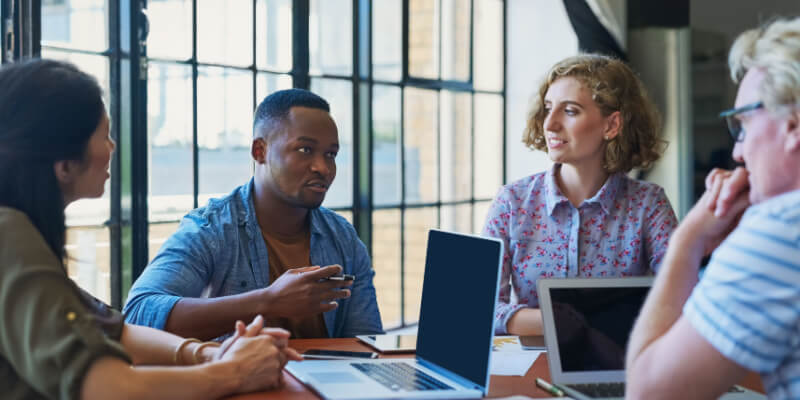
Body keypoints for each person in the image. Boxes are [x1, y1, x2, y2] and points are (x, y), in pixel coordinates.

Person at [0, 59, 301, 399]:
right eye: (104, 135)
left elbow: (112, 330)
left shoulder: (17, 231)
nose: (112, 148)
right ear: (65, 164)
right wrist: (232, 372)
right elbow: (105, 388)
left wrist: (209, 354)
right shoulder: (9, 235)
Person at [626, 17, 800, 400]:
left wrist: (687, 240)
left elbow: (648, 393)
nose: (737, 151)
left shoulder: (781, 228)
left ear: (793, 125)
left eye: (743, 126)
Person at [124, 88, 383, 340]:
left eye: (331, 154)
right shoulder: (211, 228)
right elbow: (138, 314)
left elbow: (367, 345)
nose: (323, 168)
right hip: (237, 383)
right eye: (305, 150)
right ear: (260, 152)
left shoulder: (342, 237)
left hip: (324, 384)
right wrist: (268, 302)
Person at [482, 54, 678, 336]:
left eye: (570, 111)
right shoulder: (512, 201)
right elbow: (484, 310)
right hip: (530, 367)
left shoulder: (648, 205)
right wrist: (562, 323)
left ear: (611, 126)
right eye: (548, 108)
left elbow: (682, 300)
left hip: (614, 367)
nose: (549, 124)